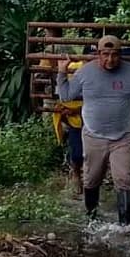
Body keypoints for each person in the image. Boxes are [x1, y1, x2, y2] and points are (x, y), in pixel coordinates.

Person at [58, 36, 130, 224]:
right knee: (91, 179)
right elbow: (66, 95)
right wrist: (62, 73)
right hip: (93, 135)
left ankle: (125, 227)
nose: (110, 59)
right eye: (105, 55)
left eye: (114, 55)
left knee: (124, 179)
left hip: (123, 136)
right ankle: (92, 220)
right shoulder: (85, 72)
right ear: (98, 54)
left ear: (120, 55)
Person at [43, 27, 85, 196]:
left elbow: (43, 70)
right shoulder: (71, 52)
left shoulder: (50, 49)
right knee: (77, 147)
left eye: (46, 34)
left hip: (84, 113)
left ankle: (76, 173)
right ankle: (75, 173)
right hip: (77, 112)